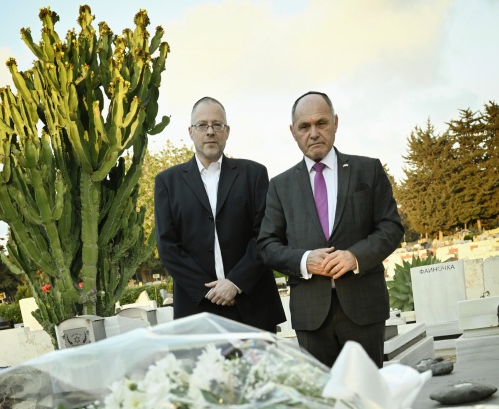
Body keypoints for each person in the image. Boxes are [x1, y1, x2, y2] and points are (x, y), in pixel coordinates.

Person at [257, 91, 404, 367]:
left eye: (321, 123)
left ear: (335, 122)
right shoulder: (280, 186)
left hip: (364, 308)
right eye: (304, 126)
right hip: (311, 316)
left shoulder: (368, 170)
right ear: (293, 132)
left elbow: (391, 227)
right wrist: (304, 260)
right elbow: (266, 245)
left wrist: (355, 257)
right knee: (323, 402)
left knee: (367, 399)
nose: (313, 133)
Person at [154, 97, 285, 332]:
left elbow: (265, 236)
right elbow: (167, 246)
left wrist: (235, 282)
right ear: (191, 132)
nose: (210, 131)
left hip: (253, 305)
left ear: (227, 131)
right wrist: (208, 290)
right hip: (197, 311)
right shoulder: (167, 182)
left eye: (217, 125)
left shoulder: (254, 174)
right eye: (202, 125)